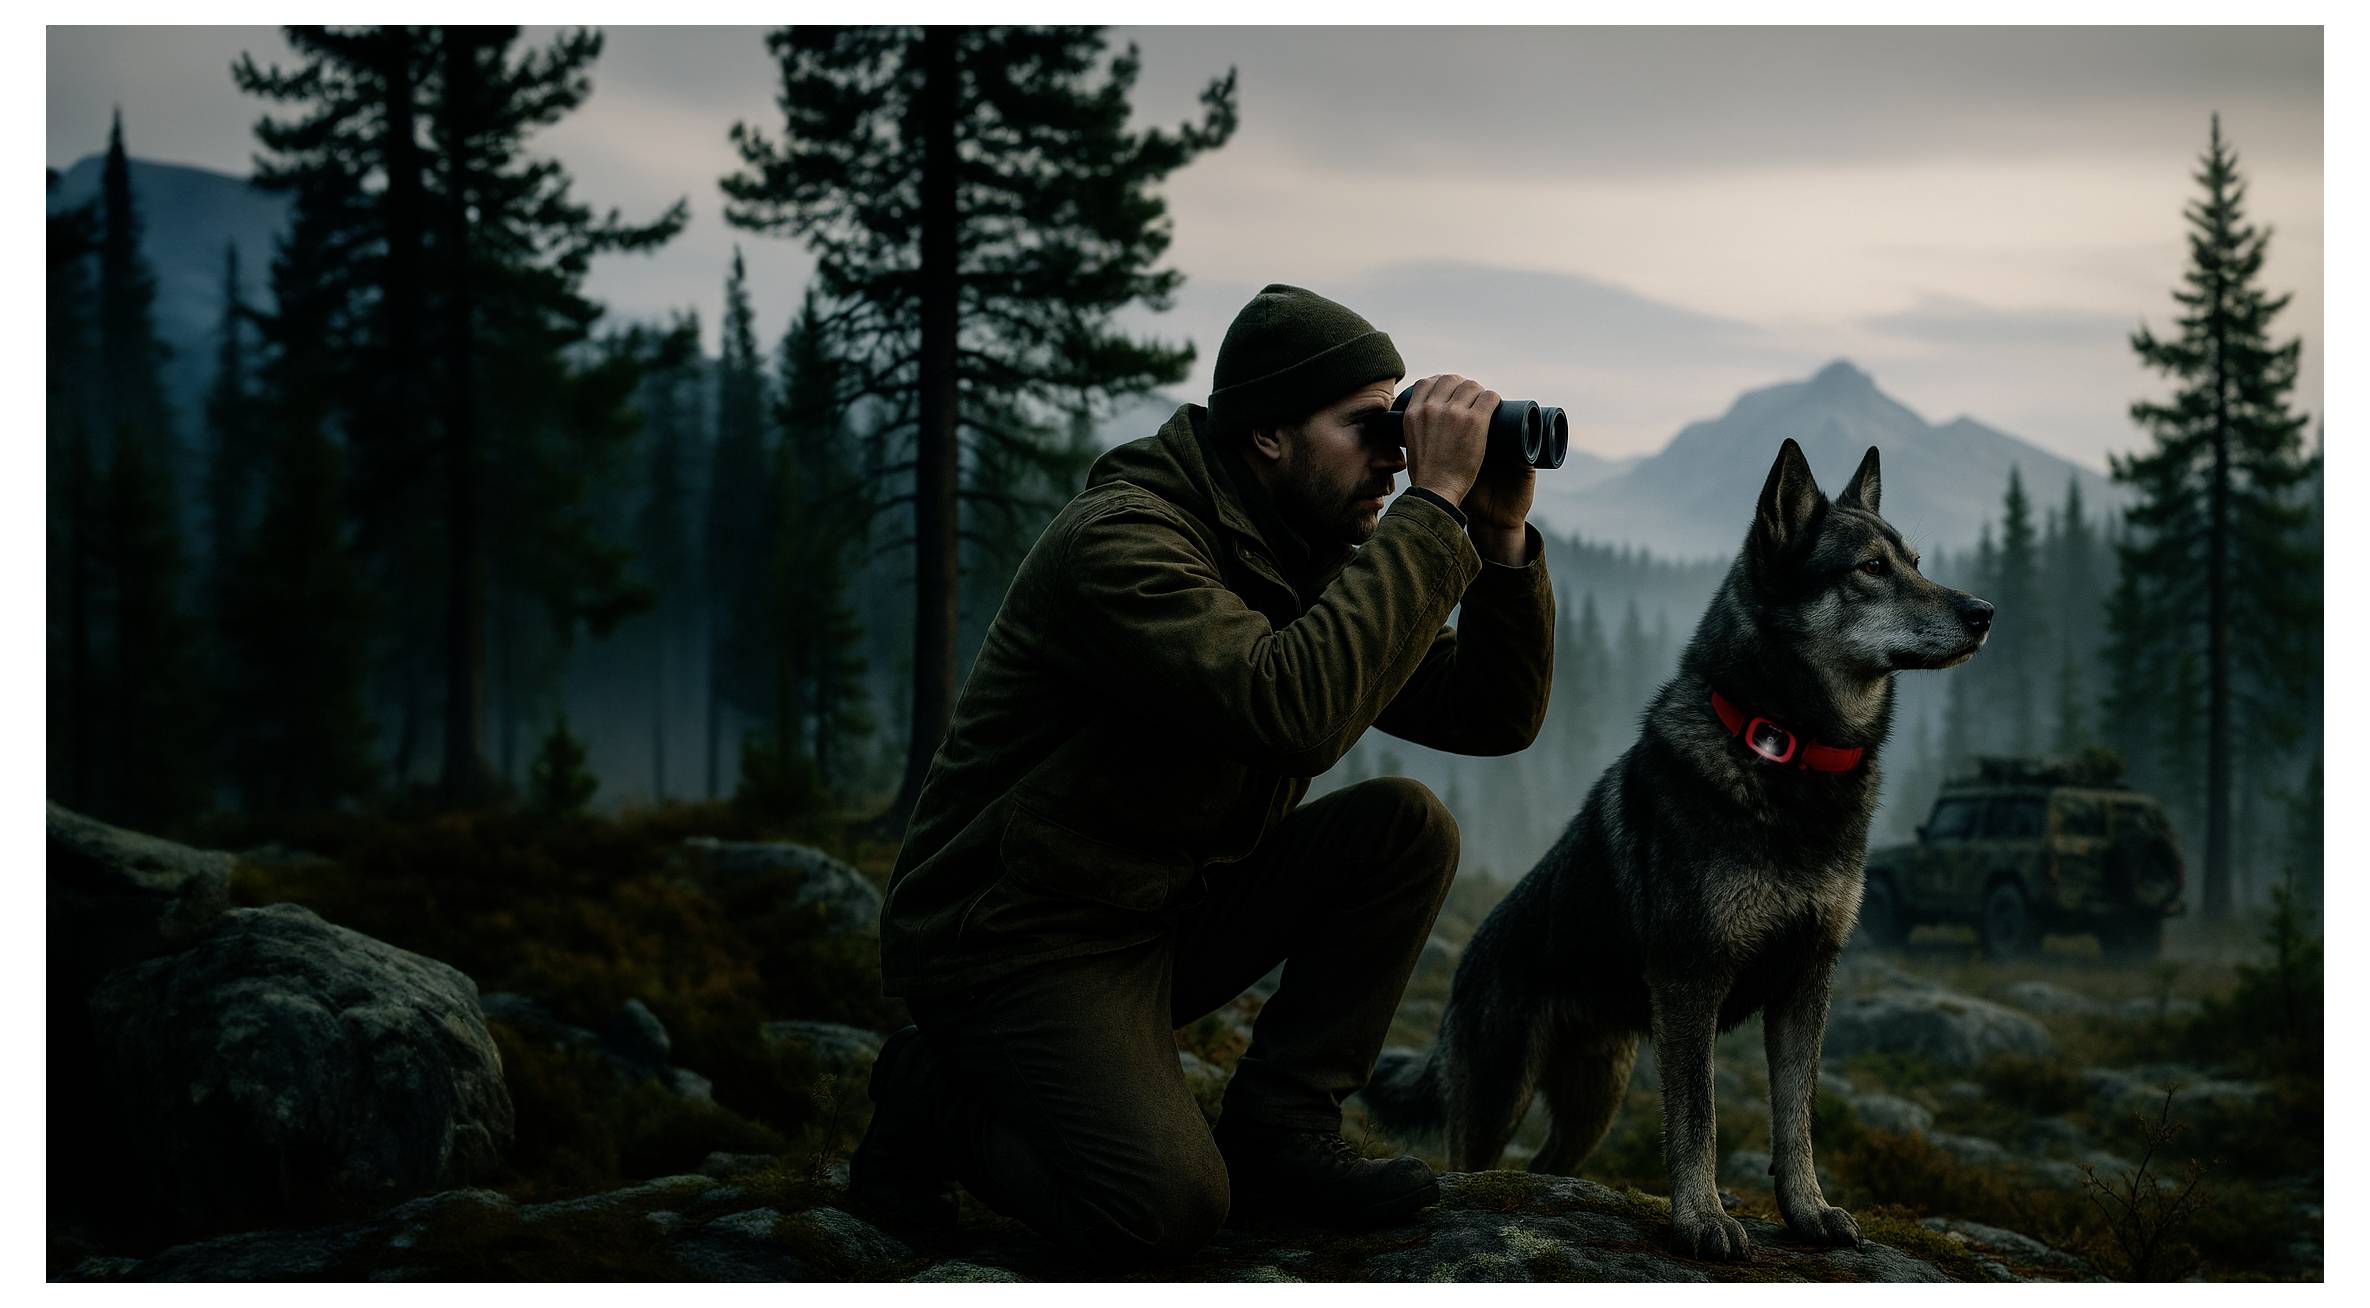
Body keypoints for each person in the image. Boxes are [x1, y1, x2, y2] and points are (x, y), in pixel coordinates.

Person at [849, 282, 1555, 1268]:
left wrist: (1502, 540)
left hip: (1158, 913)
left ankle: (1279, 1135)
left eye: (1400, 426)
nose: (1395, 457)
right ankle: (933, 1092)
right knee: (1161, 1210)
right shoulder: (1125, 545)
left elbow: (1491, 715)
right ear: (1265, 436)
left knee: (1405, 828)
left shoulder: (1297, 551)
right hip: (1020, 939)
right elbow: (1291, 709)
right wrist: (1434, 508)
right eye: (1367, 428)